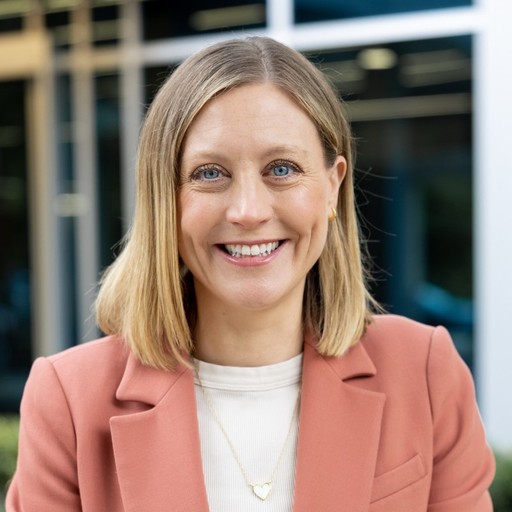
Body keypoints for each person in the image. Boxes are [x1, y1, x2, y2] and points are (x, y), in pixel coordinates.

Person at [6, 36, 494, 512]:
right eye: (209, 173)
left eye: (281, 169)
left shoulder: (425, 373)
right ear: (164, 199)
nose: (247, 210)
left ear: (331, 185)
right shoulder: (69, 398)